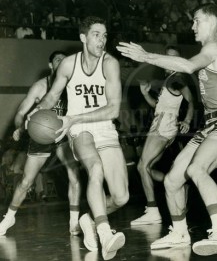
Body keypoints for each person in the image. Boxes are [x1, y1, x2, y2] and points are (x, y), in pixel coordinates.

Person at [117, 3, 217, 256]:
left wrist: (146, 57)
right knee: (174, 179)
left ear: (211, 21)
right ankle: (179, 233)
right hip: (211, 124)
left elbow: (187, 66)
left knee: (197, 169)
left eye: (196, 20)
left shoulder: (214, 47)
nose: (192, 26)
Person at [33, 16, 129, 260]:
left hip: (104, 126)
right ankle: (105, 233)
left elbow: (114, 109)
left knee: (121, 196)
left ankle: (89, 219)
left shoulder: (110, 64)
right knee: (94, 169)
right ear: (84, 38)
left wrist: (74, 118)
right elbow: (53, 95)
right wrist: (37, 111)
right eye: (97, 34)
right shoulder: (67, 64)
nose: (102, 40)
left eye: (105, 35)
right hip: (79, 130)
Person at [0, 51, 82, 236]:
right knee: (27, 181)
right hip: (41, 136)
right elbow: (21, 112)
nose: (62, 63)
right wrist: (19, 128)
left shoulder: (72, 86)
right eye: (58, 60)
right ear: (51, 65)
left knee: (74, 176)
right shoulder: (40, 86)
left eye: (65, 60)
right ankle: (8, 218)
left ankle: (74, 222)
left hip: (64, 134)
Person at [131, 45, 194, 226]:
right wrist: (145, 94)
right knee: (147, 168)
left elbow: (191, 100)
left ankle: (152, 210)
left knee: (142, 167)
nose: (168, 60)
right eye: (167, 57)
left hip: (163, 126)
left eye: (173, 57)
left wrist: (188, 120)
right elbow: (157, 107)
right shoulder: (169, 80)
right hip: (162, 124)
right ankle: (178, 184)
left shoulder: (177, 79)